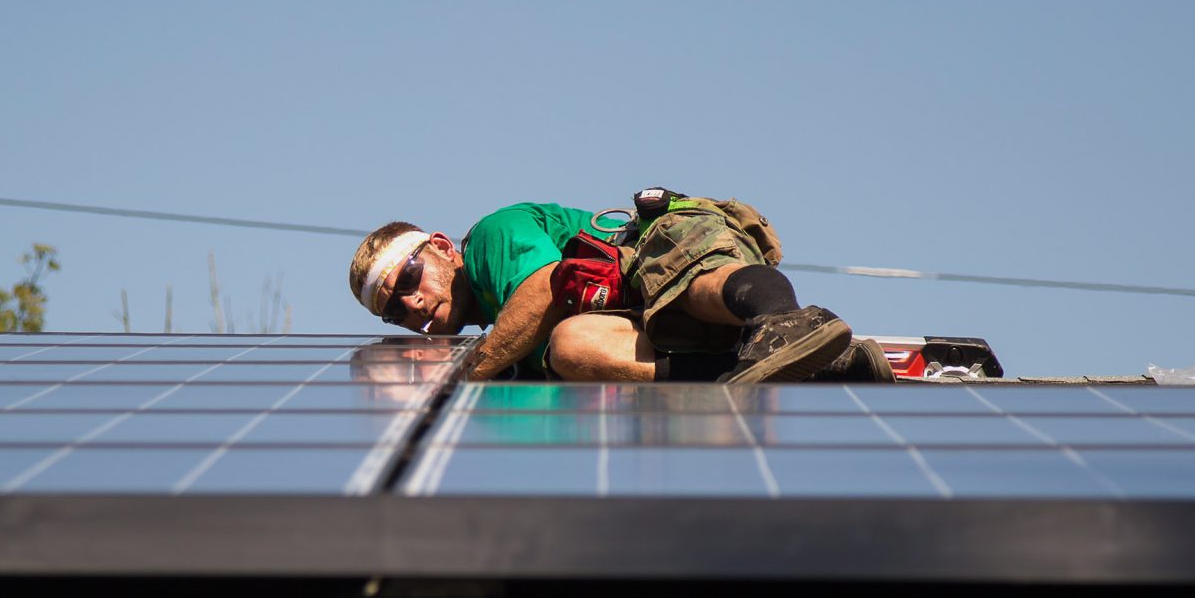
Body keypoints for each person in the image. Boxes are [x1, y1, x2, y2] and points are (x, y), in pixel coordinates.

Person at [348, 196, 893, 384]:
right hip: (666, 332)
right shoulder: (504, 338)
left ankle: (786, 322)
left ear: (442, 247)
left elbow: (543, 289)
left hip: (663, 248)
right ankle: (810, 367)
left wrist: (473, 371)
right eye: (394, 312)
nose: (412, 305)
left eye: (409, 280)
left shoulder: (491, 239)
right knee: (574, 349)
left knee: (683, 285)